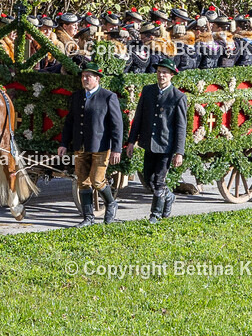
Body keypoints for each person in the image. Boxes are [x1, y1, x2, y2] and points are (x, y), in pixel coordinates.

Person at [58, 62, 123, 226]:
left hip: (100, 147)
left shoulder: (108, 96)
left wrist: (116, 148)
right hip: (80, 146)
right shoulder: (77, 96)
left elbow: (117, 125)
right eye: (83, 76)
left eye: (89, 76)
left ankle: (111, 203)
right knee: (82, 181)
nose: (85, 79)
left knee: (97, 180)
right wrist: (64, 143)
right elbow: (70, 122)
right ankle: (88, 218)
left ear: (97, 79)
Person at [124, 57, 187, 223]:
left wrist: (179, 152)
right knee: (148, 178)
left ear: (172, 75)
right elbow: (138, 118)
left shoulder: (178, 97)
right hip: (148, 143)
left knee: (159, 181)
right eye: (159, 72)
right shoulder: (148, 91)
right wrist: (131, 141)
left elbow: (181, 127)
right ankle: (169, 196)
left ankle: (155, 214)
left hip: (166, 146)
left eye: (165, 73)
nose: (161, 76)